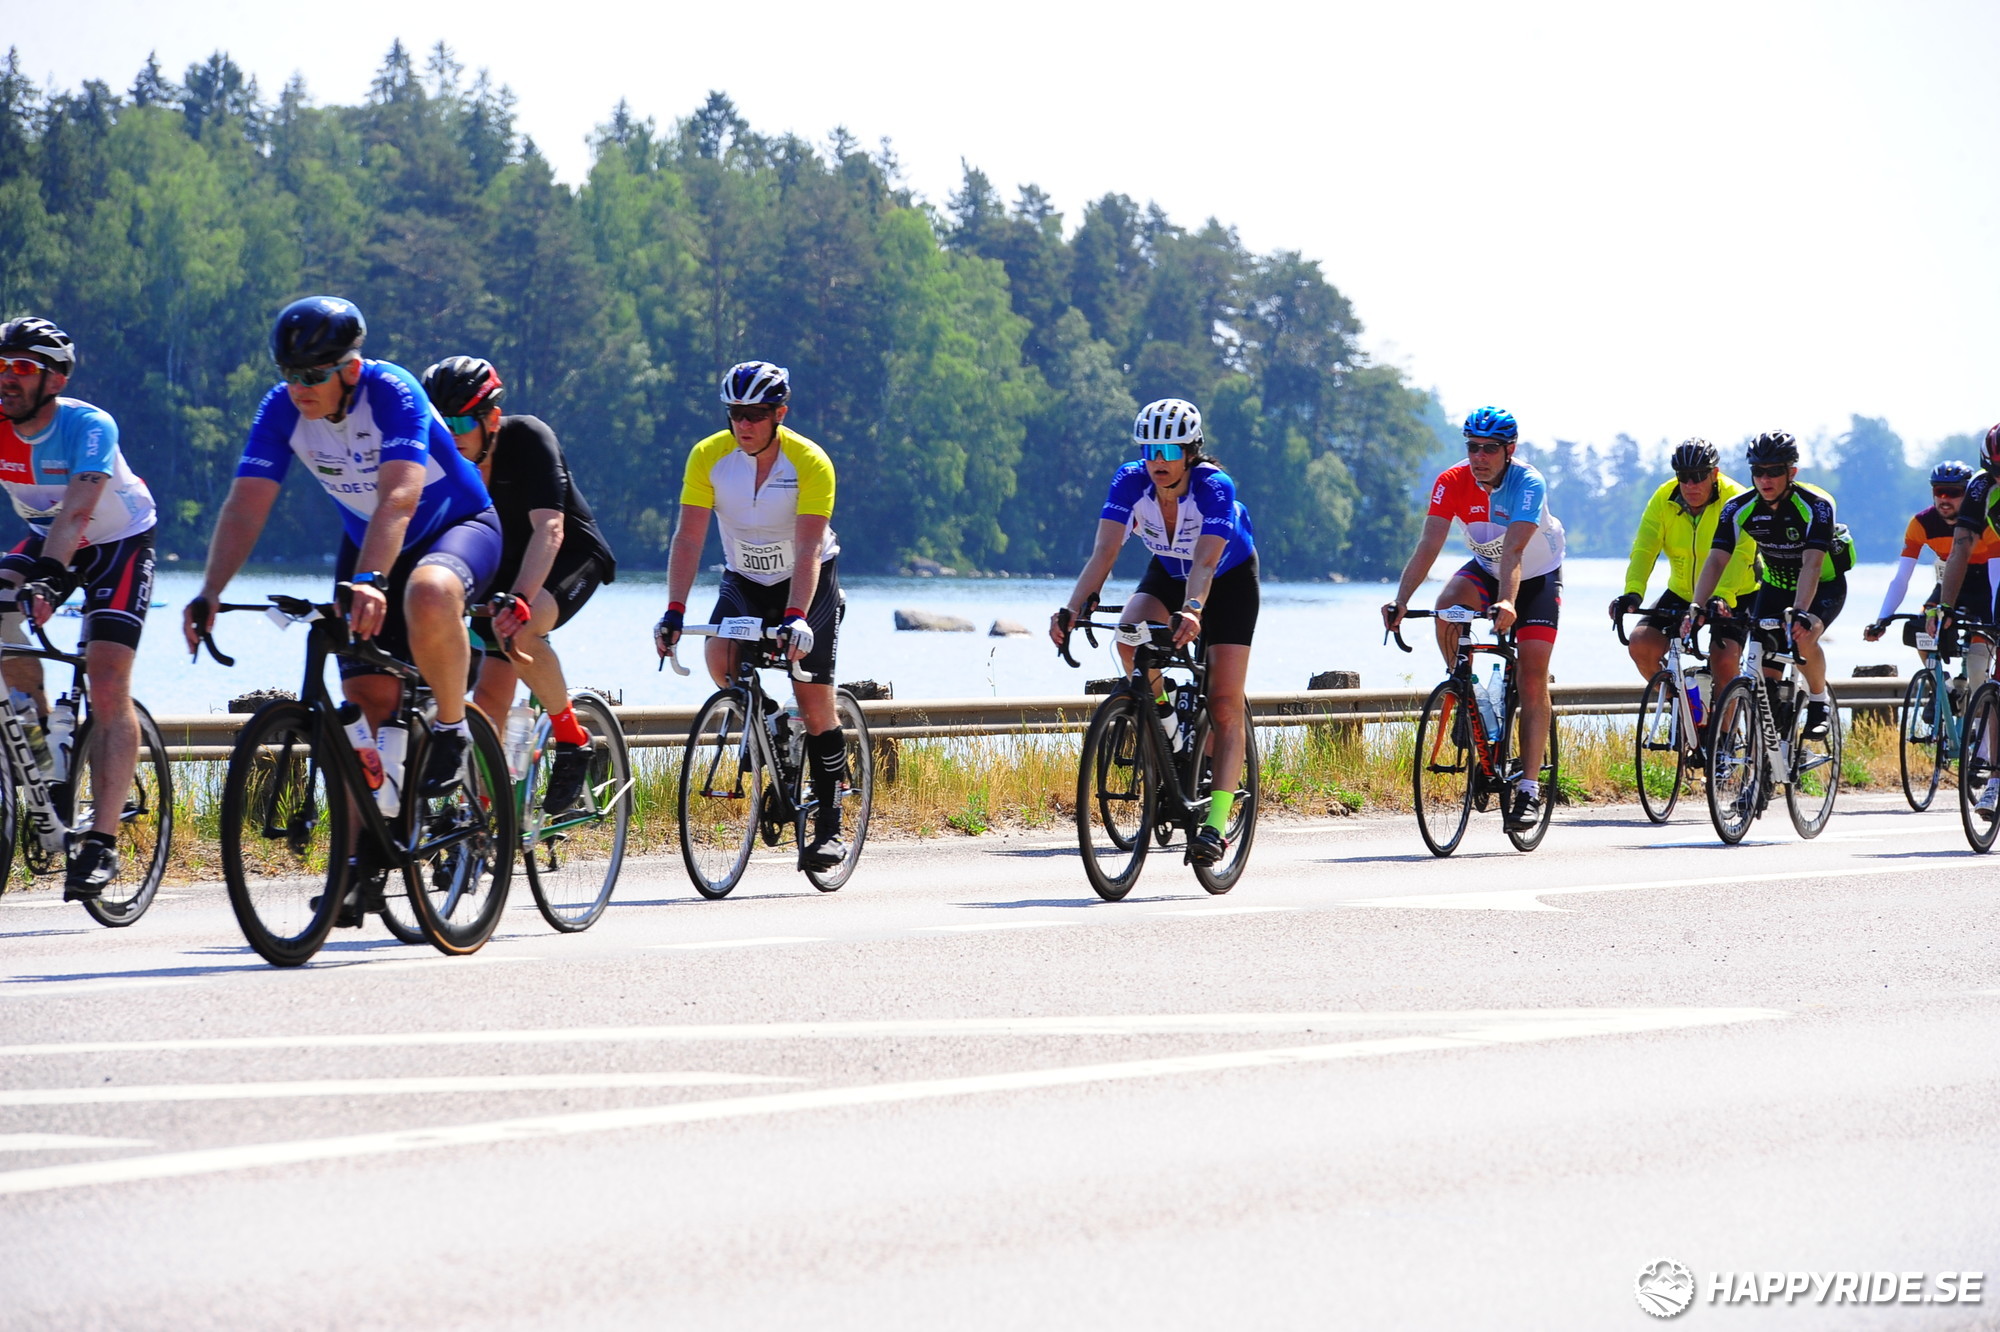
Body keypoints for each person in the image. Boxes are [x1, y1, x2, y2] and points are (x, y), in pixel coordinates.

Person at [182, 297, 501, 801]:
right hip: (371, 541)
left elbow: (399, 497)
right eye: (289, 374)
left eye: (312, 375)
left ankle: (452, 728)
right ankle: (367, 844)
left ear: (350, 370)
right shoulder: (281, 409)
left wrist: (371, 580)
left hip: (455, 526)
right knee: (366, 703)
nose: (298, 388)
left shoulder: (393, 391)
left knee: (429, 593)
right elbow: (245, 507)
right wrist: (210, 591)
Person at [654, 361, 849, 871]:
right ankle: (768, 724)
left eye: (757, 414)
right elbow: (689, 538)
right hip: (744, 578)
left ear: (779, 414)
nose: (744, 424)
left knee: (815, 704)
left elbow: (808, 548)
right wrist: (674, 610)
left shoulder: (810, 462)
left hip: (806, 581)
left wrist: (796, 617)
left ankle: (830, 825)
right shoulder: (708, 457)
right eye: (736, 413)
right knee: (719, 658)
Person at [1047, 397, 1259, 866]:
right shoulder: (1130, 480)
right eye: (1149, 450)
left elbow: (1205, 563)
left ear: (1190, 451)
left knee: (1224, 702)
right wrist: (1071, 608)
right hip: (1167, 571)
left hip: (1227, 580)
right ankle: (1167, 724)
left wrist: (1194, 610)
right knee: (1128, 637)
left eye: (1167, 450)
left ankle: (1215, 825)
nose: (1157, 460)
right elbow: (1104, 552)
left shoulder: (1214, 487)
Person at [0, 317, 159, 899]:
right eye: (0, 366)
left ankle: (101, 842)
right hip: (50, 538)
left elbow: (77, 511)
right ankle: (40, 738)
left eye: (23, 367)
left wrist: (49, 577)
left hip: (117, 542)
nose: (8, 378)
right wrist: (44, 569)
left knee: (107, 679)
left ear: (56, 379)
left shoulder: (89, 426)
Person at [422, 357, 616, 813]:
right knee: (487, 697)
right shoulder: (438, 457)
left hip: (567, 557)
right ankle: (482, 812)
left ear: (491, 418)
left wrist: (523, 599)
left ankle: (571, 738)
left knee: (521, 630)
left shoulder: (529, 437)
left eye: (460, 422)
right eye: (440, 424)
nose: (449, 434)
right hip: (497, 568)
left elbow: (550, 528)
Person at [1384, 406, 1565, 832]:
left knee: (1532, 678)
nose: (1479, 457)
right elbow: (1429, 544)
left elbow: (1515, 552)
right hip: (1485, 568)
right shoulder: (1451, 481)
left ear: (1509, 450)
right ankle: (1471, 698)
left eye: (1489, 449)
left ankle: (1528, 789)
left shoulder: (1527, 483)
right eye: (1472, 447)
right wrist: (1401, 600)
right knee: (1447, 608)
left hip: (1536, 577)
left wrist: (1508, 603)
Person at [1683, 431, 1854, 743]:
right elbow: (1717, 559)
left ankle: (1819, 701)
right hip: (1775, 587)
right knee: (1766, 679)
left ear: (1792, 472)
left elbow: (1812, 563)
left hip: (1822, 586)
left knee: (1804, 637)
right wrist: (1697, 606)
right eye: (1758, 471)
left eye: (1774, 471)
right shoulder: (1738, 507)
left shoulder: (1816, 505)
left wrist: (1800, 612)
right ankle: (1768, 754)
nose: (1765, 479)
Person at [1609, 439, 1756, 689]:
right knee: (1641, 645)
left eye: (1698, 476)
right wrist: (1633, 592)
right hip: (1683, 592)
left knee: (1723, 662)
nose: (1690, 485)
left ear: (1714, 474)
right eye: (1683, 477)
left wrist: (1721, 595)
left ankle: (1724, 715)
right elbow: (1644, 549)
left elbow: (1742, 554)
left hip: (1735, 593)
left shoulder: (1736, 499)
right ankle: (1678, 705)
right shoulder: (1664, 497)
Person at [1864, 460, 1996, 686]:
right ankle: (1942, 687)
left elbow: (1996, 575)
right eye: (1938, 491)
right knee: (1920, 631)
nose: (1944, 499)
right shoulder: (1922, 523)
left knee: (1977, 664)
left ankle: (1979, 706)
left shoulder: (1986, 522)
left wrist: (1994, 617)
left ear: (1969, 494)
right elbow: (1901, 578)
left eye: (1953, 493)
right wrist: (1882, 619)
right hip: (1951, 584)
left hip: (1988, 588)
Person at [1939, 425, 2000, 814]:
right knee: (1998, 680)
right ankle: (1996, 779)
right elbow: (1960, 549)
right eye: (1997, 471)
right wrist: (1945, 607)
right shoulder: (1980, 488)